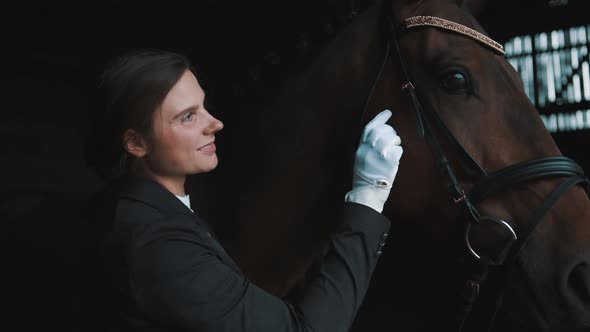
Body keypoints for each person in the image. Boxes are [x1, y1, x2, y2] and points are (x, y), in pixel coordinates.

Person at [84, 49, 403, 331]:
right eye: (188, 117)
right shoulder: (157, 244)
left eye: (203, 106)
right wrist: (369, 194)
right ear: (136, 143)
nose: (215, 123)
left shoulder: (155, 209)